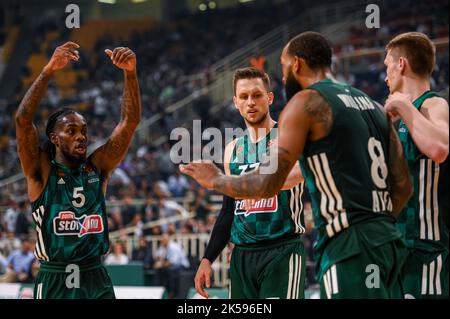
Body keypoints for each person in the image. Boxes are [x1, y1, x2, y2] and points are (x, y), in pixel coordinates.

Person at [181, 32, 413, 299]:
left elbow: (269, 183)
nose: (282, 77)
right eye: (243, 97)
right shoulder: (372, 106)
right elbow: (403, 185)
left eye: (283, 66)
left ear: (297, 65)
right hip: (386, 239)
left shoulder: (306, 104)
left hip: (341, 244)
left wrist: (215, 180)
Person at [15, 41, 141, 299]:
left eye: (83, 131)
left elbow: (129, 122)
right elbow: (23, 121)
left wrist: (130, 73)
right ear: (54, 137)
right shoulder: (40, 172)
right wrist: (49, 70)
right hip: (56, 278)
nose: (81, 136)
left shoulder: (97, 167)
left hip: (95, 275)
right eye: (71, 131)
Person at [194, 67, 305, 299]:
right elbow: (228, 211)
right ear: (235, 102)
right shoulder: (231, 150)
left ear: (270, 97)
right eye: (244, 97)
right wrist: (207, 258)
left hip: (281, 251)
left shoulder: (288, 138)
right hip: (242, 257)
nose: (250, 102)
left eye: (257, 95)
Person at [384, 32, 449, 299]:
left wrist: (402, 105)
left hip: (427, 249)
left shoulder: (434, 104)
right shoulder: (397, 120)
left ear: (401, 64)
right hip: (397, 249)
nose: (385, 76)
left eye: (387, 65)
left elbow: (439, 148)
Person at [154, 234, 190, 299]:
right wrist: (159, 262)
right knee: (160, 270)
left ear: (167, 240)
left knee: (170, 270)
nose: (162, 243)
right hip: (170, 266)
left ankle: (172, 292)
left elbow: (173, 262)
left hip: (182, 265)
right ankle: (160, 290)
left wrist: (161, 264)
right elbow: (158, 257)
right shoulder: (163, 246)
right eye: (161, 241)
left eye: (163, 241)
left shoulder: (174, 247)